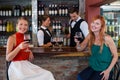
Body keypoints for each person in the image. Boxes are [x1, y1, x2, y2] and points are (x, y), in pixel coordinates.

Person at [76, 15, 118, 80]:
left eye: (97, 23)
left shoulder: (107, 38)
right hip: (93, 67)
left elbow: (115, 56)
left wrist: (108, 71)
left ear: (101, 27)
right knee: (80, 77)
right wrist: (77, 43)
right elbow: (80, 49)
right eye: (93, 22)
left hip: (104, 69)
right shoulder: (90, 36)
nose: (93, 25)